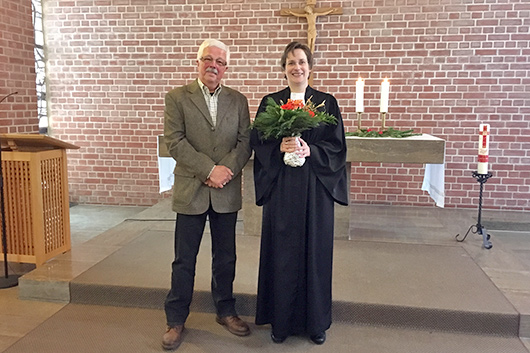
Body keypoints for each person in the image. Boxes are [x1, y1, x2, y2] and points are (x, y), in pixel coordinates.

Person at [250, 41, 349, 345]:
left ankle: (315, 323)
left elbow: (337, 147)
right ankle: (280, 322)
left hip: (315, 191)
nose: (297, 67)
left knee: (316, 254)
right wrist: (277, 147)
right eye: (291, 62)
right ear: (283, 69)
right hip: (283, 192)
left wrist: (311, 149)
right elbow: (259, 140)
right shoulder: (271, 102)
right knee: (281, 254)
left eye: (302, 62)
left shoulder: (326, 103)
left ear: (310, 67)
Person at [162, 39, 252, 351]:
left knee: (225, 257)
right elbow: (175, 141)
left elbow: (244, 142)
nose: (213, 65)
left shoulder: (238, 100)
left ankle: (225, 310)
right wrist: (208, 170)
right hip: (192, 189)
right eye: (208, 59)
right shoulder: (177, 98)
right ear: (198, 62)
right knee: (184, 259)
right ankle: (175, 319)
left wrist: (224, 169)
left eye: (220, 61)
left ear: (226, 68)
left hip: (225, 191)